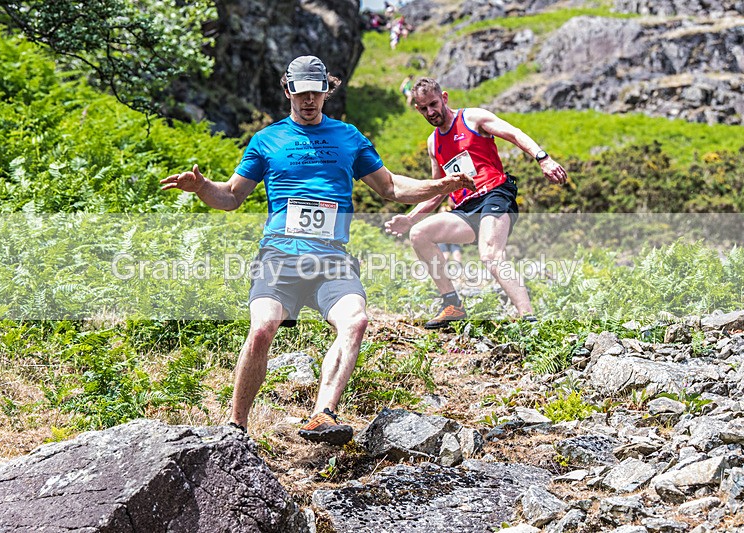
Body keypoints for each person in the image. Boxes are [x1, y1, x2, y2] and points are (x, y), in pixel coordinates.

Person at [161, 58, 474, 445]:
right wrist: (203, 186)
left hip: (332, 259)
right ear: (287, 91)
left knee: (356, 321)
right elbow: (231, 196)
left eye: (316, 92)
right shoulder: (267, 140)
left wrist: (440, 186)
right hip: (279, 256)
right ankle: (235, 428)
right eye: (301, 93)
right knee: (262, 328)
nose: (309, 100)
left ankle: (323, 414)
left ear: (327, 90)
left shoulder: (348, 136)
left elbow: (391, 187)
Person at [385, 77, 568, 329]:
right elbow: (439, 190)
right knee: (419, 234)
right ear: (417, 108)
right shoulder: (433, 143)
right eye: (424, 108)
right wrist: (410, 218)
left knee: (490, 255)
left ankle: (529, 321)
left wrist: (542, 158)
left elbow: (513, 133)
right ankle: (453, 305)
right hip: (465, 209)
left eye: (434, 104)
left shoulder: (472, 118)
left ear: (444, 98)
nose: (431, 112)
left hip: (495, 195)